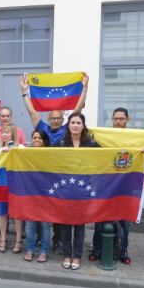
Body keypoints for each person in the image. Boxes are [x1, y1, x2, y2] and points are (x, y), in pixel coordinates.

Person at [19, 73, 89, 252]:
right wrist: (25, 92)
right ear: (49, 119)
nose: (56, 120)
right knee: (43, 209)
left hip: (62, 174)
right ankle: (41, 241)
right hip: (44, 176)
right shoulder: (42, 128)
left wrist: (85, 88)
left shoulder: (68, 128)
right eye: (53, 118)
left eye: (59, 118)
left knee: (59, 208)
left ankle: (57, 240)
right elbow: (32, 112)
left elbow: (78, 109)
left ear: (63, 119)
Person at [56, 112, 99, 270]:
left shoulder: (91, 144)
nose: (75, 125)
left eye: (78, 122)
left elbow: (107, 156)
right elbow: (46, 158)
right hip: (66, 189)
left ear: (83, 126)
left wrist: (137, 152)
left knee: (80, 225)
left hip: (83, 189)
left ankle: (78, 256)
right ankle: (67, 255)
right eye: (72, 122)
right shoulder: (61, 143)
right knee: (66, 224)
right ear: (68, 125)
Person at [91, 107, 132, 264]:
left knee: (124, 220)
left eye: (121, 119)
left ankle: (123, 250)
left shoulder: (133, 138)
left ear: (127, 119)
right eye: (115, 118)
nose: (118, 121)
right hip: (105, 184)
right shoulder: (104, 137)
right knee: (100, 217)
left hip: (125, 184)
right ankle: (97, 248)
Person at [0, 124, 24, 253]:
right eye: (3, 132)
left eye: (7, 132)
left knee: (16, 213)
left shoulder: (20, 147)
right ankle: (3, 238)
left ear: (13, 135)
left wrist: (11, 150)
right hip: (1, 184)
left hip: (16, 184)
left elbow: (22, 160)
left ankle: (18, 240)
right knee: (2, 212)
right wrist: (0, 151)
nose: (4, 134)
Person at [24, 129, 51, 262]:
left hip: (46, 195)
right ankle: (30, 249)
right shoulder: (26, 153)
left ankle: (44, 251)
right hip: (30, 194)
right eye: (34, 137)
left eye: (40, 138)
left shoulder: (50, 155)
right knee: (30, 224)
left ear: (45, 141)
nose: (36, 140)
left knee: (45, 225)